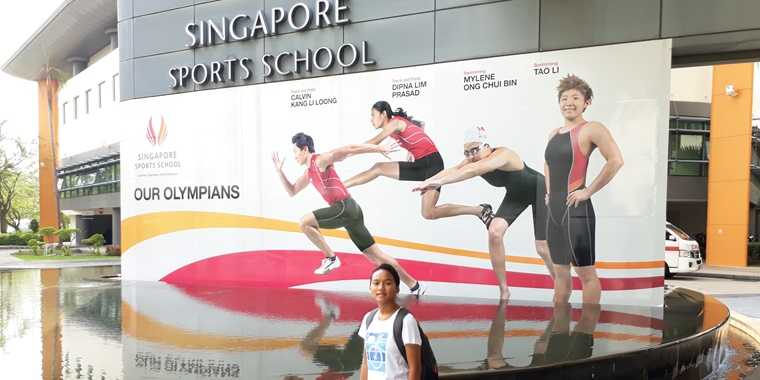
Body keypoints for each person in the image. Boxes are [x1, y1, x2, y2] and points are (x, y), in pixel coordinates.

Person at [273, 133, 425, 295]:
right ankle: (416, 286)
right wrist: (279, 171)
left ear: (304, 149)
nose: (294, 156)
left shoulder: (320, 160)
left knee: (304, 222)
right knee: (376, 257)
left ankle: (331, 259)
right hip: (350, 212)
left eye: (295, 151)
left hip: (345, 208)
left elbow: (349, 149)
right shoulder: (309, 173)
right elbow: (292, 191)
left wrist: (378, 148)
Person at [414, 127, 555, 300]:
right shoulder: (472, 160)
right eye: (467, 152)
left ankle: (560, 283)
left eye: (475, 150)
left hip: (540, 189)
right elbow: (454, 170)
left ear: (487, 146)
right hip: (517, 194)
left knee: (542, 248)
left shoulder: (503, 154)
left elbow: (473, 170)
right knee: (494, 232)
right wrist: (429, 182)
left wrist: (438, 181)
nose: (471, 155)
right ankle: (504, 290)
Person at [544, 74, 624, 304]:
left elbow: (616, 160)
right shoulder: (553, 134)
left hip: (577, 210)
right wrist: (549, 193)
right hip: (555, 211)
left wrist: (587, 191)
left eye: (575, 97)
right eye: (564, 97)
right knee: (560, 273)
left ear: (586, 102)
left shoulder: (592, 129)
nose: (569, 102)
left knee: (586, 274)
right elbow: (548, 164)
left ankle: (585, 335)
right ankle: (559, 332)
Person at [344, 101, 491, 224]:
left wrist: (345, 152)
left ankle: (479, 210)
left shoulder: (395, 123)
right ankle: (343, 186)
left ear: (383, 114)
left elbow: (373, 142)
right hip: (419, 164)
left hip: (433, 163)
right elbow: (420, 124)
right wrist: (411, 149)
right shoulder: (398, 122)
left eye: (373, 115)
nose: (371, 119)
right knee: (378, 168)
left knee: (428, 213)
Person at [359, 264, 422, 380]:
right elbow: (365, 363)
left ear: (397, 288)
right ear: (370, 288)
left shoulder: (406, 320)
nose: (381, 288)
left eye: (387, 283)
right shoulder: (368, 319)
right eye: (376, 283)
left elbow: (415, 368)